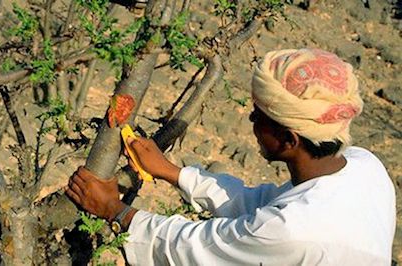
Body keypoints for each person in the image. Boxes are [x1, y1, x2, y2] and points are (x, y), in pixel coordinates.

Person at [66, 48, 396, 265]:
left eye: (259, 116)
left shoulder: (296, 233)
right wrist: (173, 173)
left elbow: (194, 247)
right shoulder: (363, 167)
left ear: (287, 139)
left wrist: (113, 209)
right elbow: (264, 205)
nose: (250, 120)